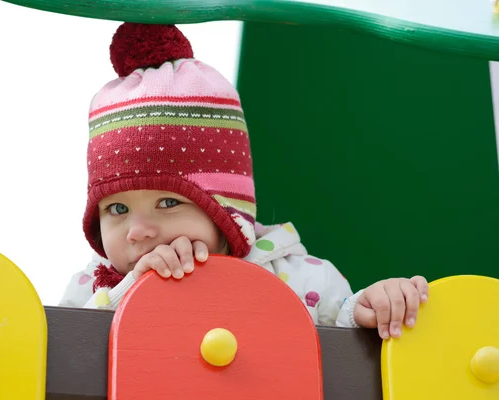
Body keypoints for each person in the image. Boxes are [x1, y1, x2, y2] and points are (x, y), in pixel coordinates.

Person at [59, 22, 428, 340]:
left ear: (225, 209)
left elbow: (347, 354)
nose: (137, 231)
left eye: (169, 202)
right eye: (117, 208)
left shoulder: (297, 278)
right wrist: (131, 294)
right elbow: (68, 363)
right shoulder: (93, 288)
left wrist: (372, 308)